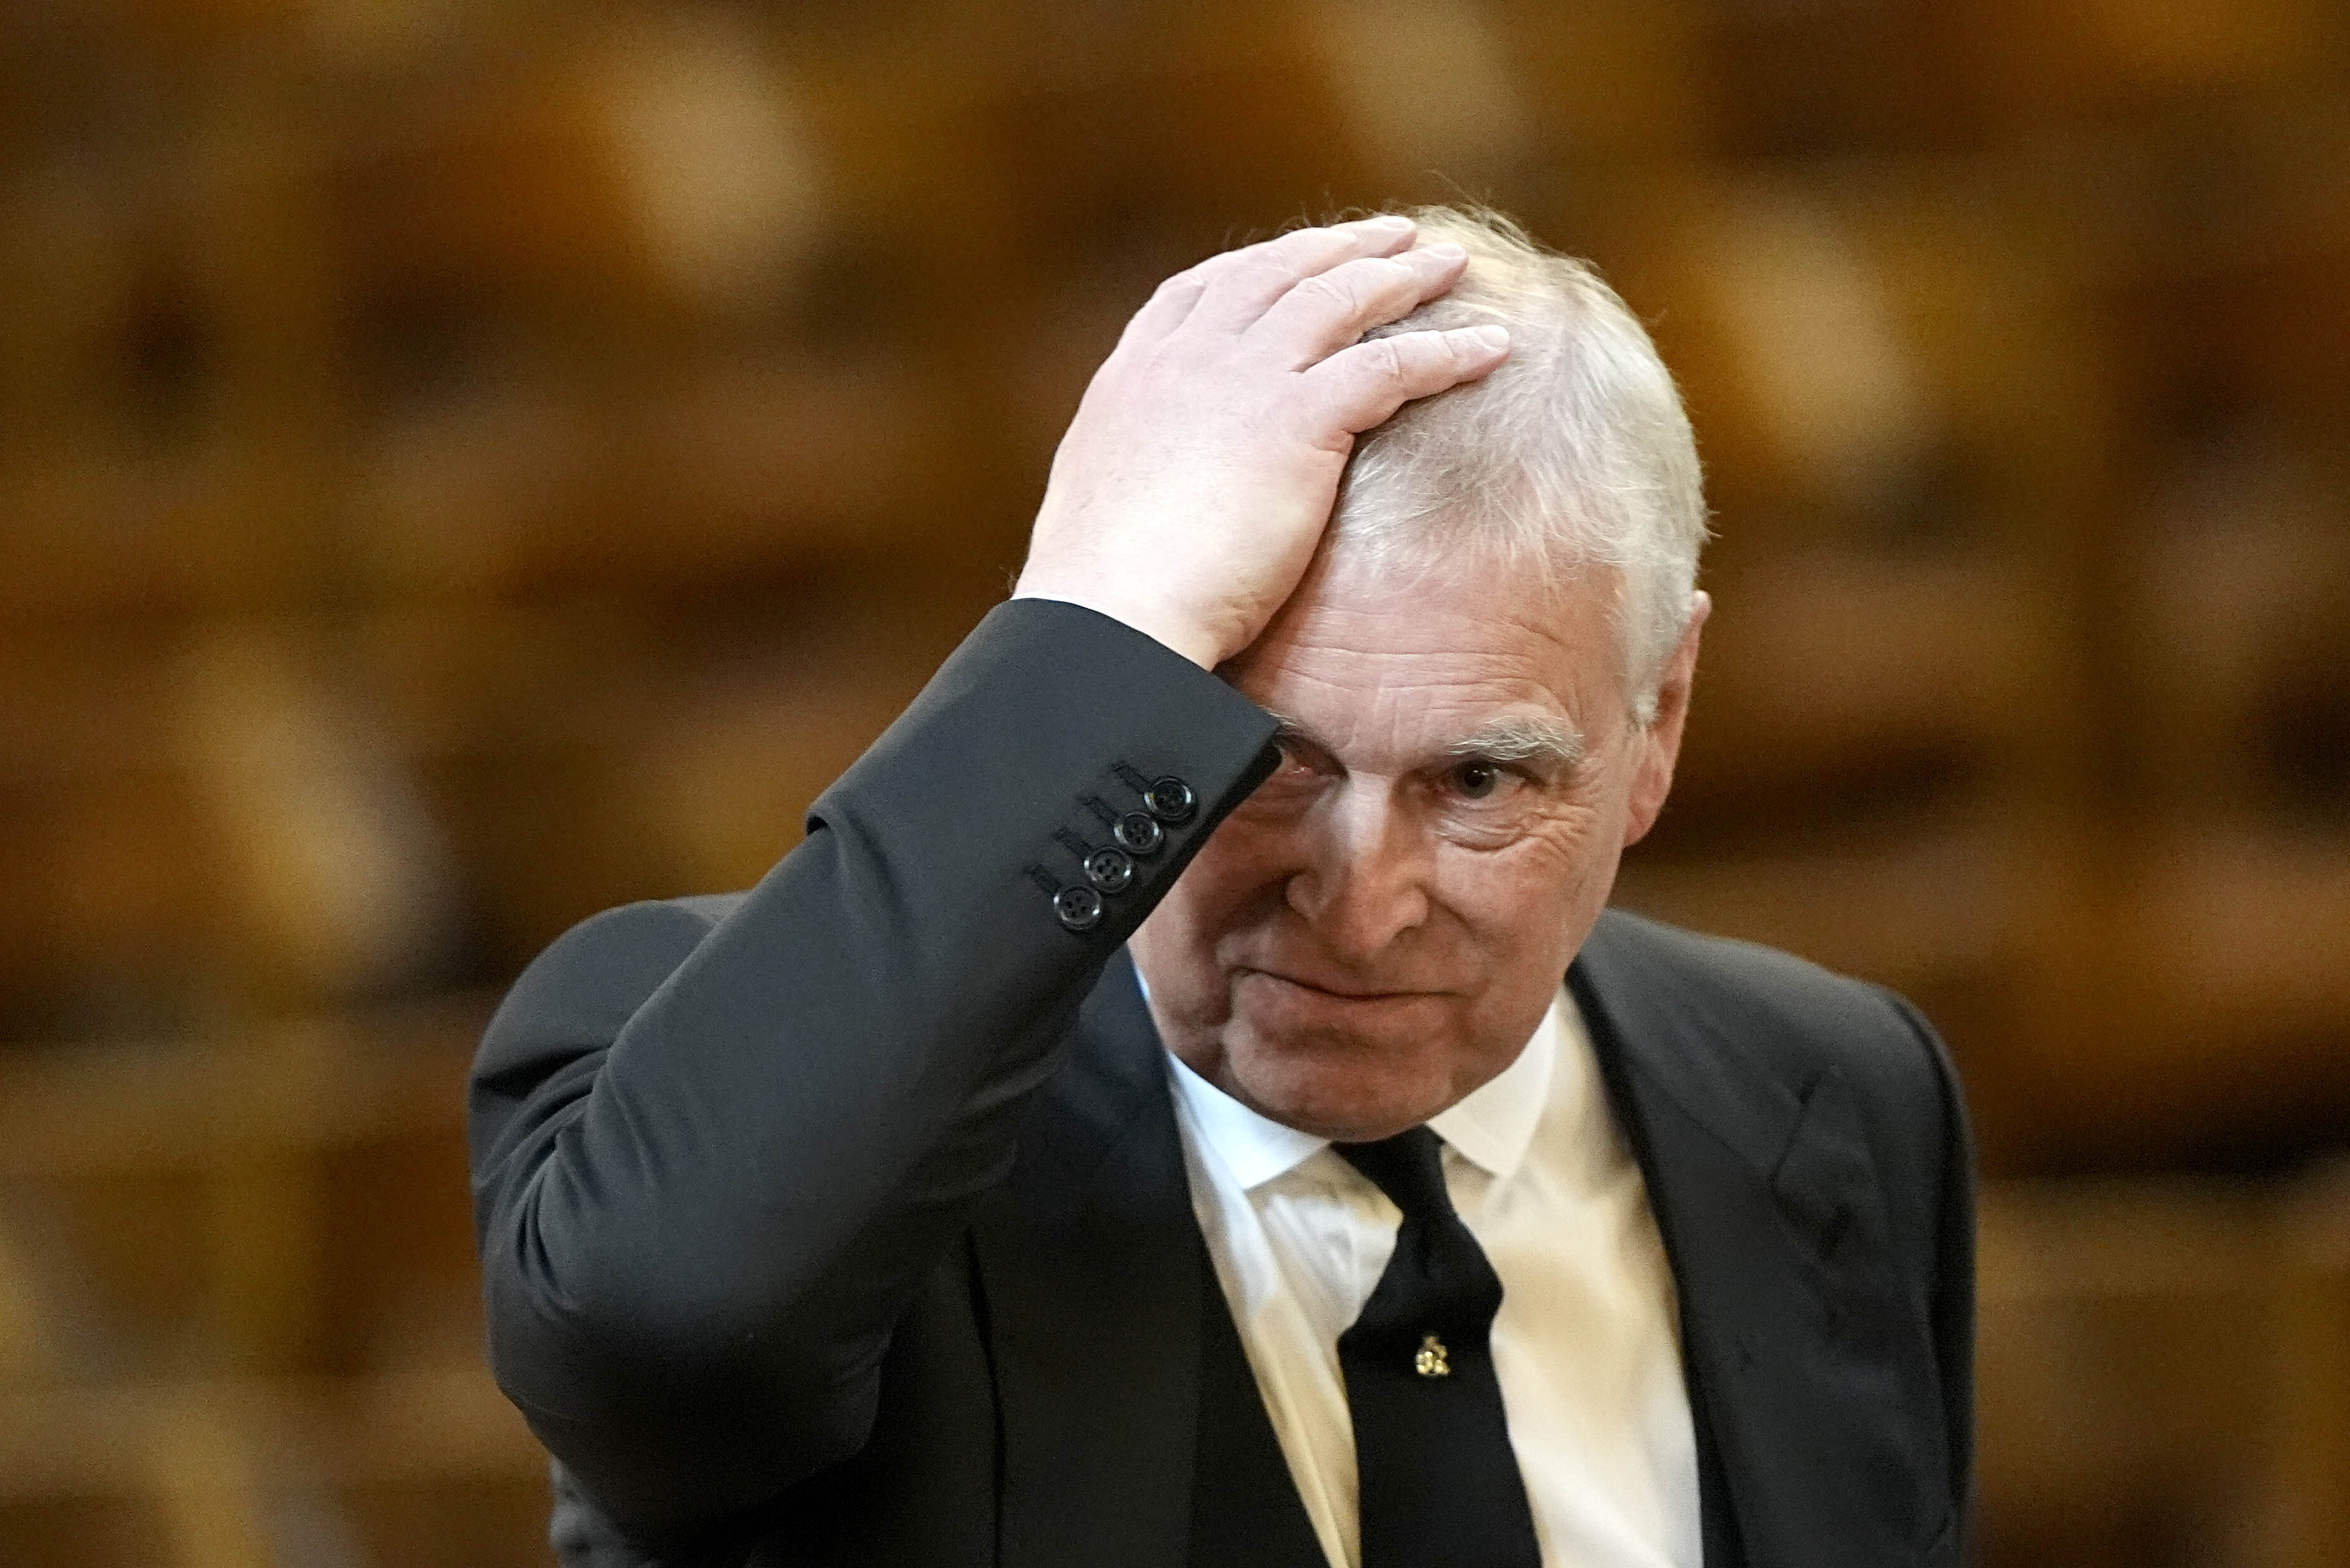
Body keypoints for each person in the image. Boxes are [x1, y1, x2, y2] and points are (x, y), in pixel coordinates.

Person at [470, 207, 1974, 1568]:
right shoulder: (779, 1114)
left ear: (1659, 722)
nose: (1363, 903)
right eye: (1273, 762)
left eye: (1477, 782)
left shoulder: (1831, 1094)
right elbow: (654, 1337)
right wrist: (1093, 616)